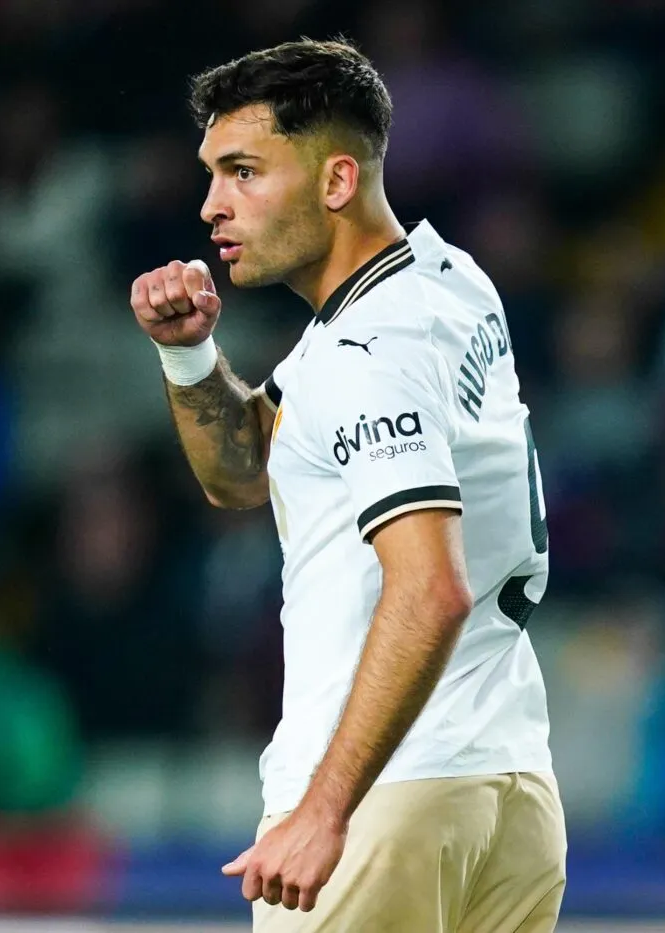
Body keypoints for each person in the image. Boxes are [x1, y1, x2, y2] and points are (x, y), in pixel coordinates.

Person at [127, 39, 565, 932]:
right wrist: (189, 356)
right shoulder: (444, 282)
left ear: (336, 180)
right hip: (507, 788)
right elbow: (247, 476)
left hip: (387, 804)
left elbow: (430, 586)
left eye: (244, 171)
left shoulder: (369, 350)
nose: (212, 205)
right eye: (212, 174)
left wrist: (324, 808)